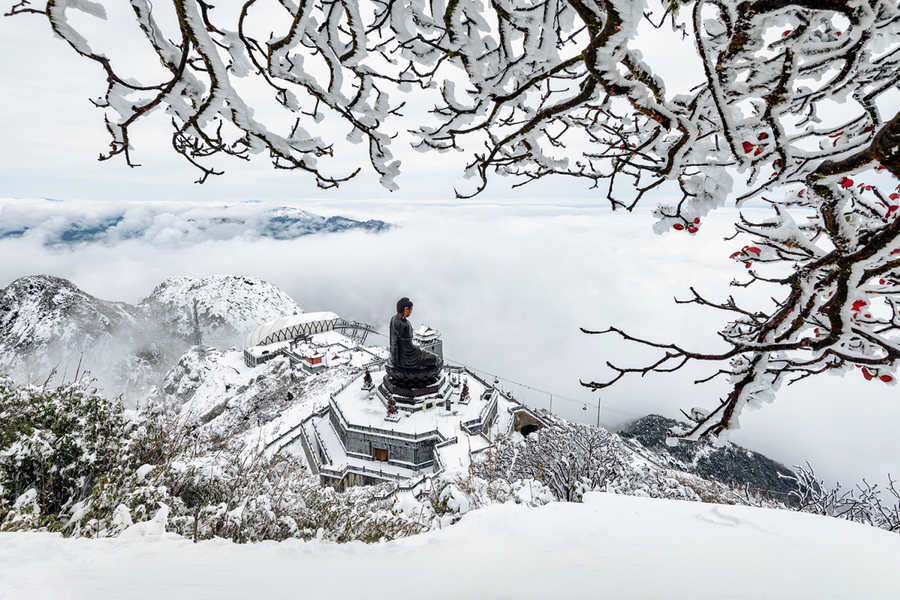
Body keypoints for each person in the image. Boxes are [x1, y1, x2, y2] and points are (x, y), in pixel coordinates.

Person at [389, 297, 441, 371]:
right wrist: (421, 351)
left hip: (395, 359)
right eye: (410, 310)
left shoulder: (393, 319)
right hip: (407, 360)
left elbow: (394, 342)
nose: (411, 312)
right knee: (436, 359)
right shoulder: (405, 325)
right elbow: (408, 348)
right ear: (406, 309)